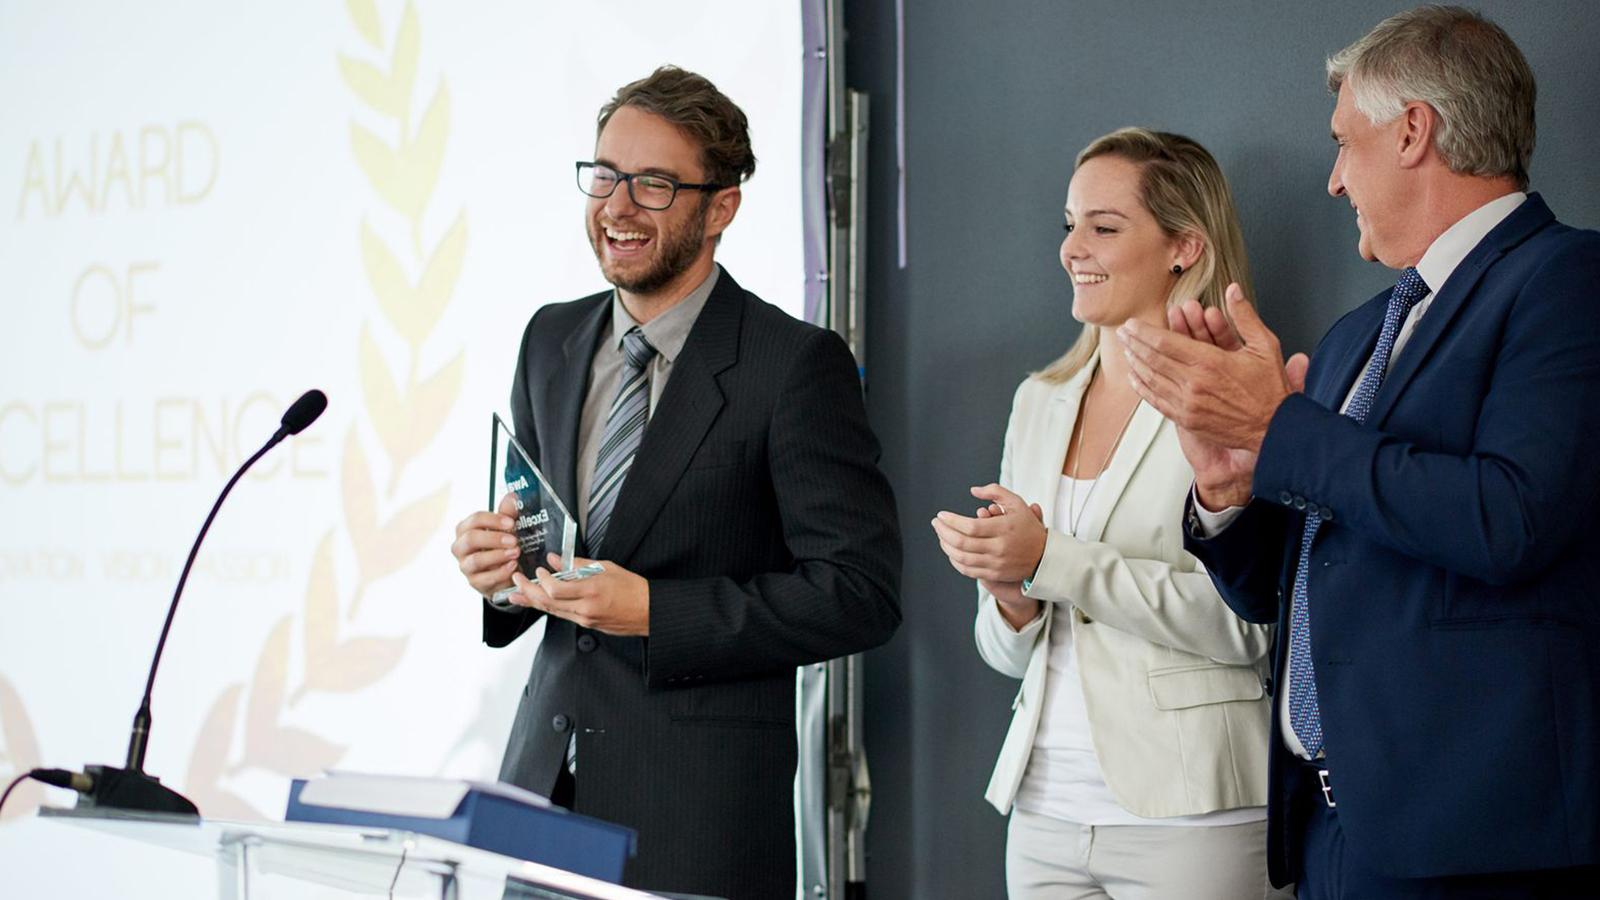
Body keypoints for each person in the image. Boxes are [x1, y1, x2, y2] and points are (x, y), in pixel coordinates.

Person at [1117, 8, 1600, 898]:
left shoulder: (1569, 280)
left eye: (1346, 142)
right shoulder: (1351, 338)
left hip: (1481, 852)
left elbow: (1509, 520)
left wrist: (1283, 431)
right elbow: (1290, 588)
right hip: (1332, 841)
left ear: (1414, 129)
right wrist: (1229, 489)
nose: (1336, 181)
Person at [448, 65, 902, 900]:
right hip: (541, 796)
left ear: (720, 206)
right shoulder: (550, 340)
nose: (616, 206)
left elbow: (859, 593)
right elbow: (552, 557)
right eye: (605, 176)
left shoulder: (794, 366)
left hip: (697, 818)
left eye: (653, 185)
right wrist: (499, 576)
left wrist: (657, 611)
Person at [932, 128, 1286, 900]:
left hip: (1192, 818)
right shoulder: (1039, 401)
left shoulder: (1234, 398)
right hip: (1043, 815)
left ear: (1184, 248)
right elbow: (1006, 654)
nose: (1072, 249)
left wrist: (1048, 559)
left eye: (1104, 226)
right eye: (1069, 223)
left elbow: (1249, 625)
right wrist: (1012, 596)